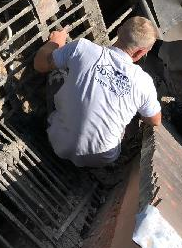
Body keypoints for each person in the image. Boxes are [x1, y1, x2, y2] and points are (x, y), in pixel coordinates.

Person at [34, 16, 162, 167]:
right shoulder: (144, 82)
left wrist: (55, 42)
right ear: (140, 52)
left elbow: (40, 64)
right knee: (131, 115)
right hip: (102, 158)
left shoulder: (82, 48)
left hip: (57, 142)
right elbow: (155, 121)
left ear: (119, 31)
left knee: (57, 74)